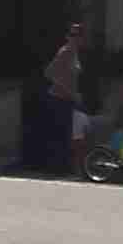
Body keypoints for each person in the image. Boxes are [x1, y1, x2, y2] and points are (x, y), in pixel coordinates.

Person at [41, 20, 96, 172]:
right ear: (68, 36)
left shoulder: (74, 53)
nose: (75, 38)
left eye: (78, 35)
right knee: (66, 134)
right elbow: (49, 73)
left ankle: (69, 167)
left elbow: (70, 77)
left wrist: (75, 94)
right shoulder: (65, 51)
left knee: (73, 133)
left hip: (68, 99)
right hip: (58, 99)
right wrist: (70, 92)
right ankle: (62, 168)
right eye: (72, 35)